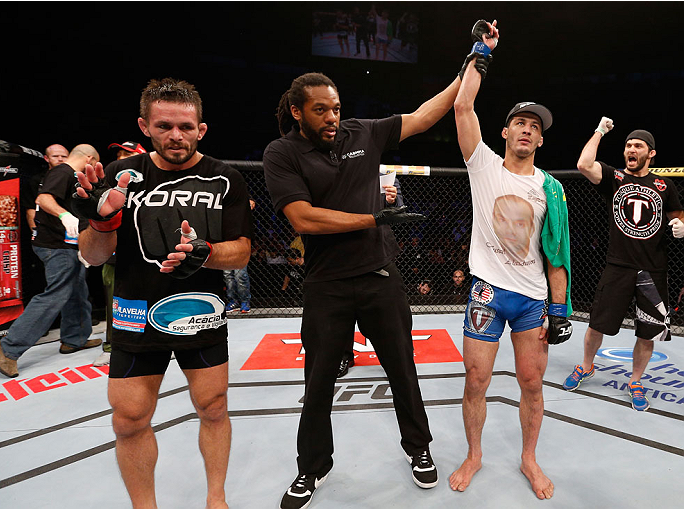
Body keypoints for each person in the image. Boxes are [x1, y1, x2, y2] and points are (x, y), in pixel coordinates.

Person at [264, 50, 480, 505]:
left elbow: (424, 115)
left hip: (379, 276)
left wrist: (472, 63)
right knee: (318, 382)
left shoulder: (362, 131)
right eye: (320, 109)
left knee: (402, 369)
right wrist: (374, 219)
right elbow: (302, 218)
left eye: (336, 108)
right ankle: (312, 468)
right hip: (326, 283)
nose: (331, 117)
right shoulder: (283, 152)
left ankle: (419, 449)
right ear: (297, 112)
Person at [73, 78, 252, 508]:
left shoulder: (225, 179)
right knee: (130, 419)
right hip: (136, 311)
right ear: (145, 126)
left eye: (186, 127)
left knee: (213, 407)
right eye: (165, 125)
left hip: (200, 310)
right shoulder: (119, 176)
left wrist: (204, 253)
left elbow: (242, 252)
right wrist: (101, 224)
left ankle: (216, 498)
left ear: (201, 129)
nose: (177, 135)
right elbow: (93, 257)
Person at [448, 20, 572, 500]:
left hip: (531, 298)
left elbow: (556, 254)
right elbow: (462, 105)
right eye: (520, 121)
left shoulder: (551, 189)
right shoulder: (481, 163)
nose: (527, 128)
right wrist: (481, 52)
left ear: (540, 142)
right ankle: (475, 454)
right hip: (486, 290)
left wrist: (559, 311)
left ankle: (528, 458)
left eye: (535, 126)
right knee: (476, 380)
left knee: (532, 383)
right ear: (505, 132)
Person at [563, 121, 684, 412]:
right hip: (618, 265)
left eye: (637, 146)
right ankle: (586, 365)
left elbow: (678, 213)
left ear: (650, 153)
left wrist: (681, 224)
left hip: (653, 269)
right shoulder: (614, 177)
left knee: (647, 332)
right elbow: (583, 164)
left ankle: (635, 381)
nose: (631, 149)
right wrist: (600, 132)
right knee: (596, 324)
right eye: (628, 145)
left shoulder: (664, 185)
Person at [0, 145, 102, 378]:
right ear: (89, 158)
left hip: (68, 244)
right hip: (56, 246)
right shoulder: (64, 172)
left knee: (78, 290)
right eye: (93, 164)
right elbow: (44, 198)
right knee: (57, 294)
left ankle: (74, 339)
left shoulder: (68, 175)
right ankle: (8, 348)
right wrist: (64, 215)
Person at [337, 176, 403, 377]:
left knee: (389, 310)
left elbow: (397, 210)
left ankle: (392, 357)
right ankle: (343, 356)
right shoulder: (337, 170)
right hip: (342, 249)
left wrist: (391, 201)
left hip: (378, 251)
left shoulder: (384, 173)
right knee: (342, 310)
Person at [94, 140, 148, 367]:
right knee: (113, 300)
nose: (120, 159)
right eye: (119, 155)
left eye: (126, 155)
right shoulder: (105, 182)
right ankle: (111, 346)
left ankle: (160, 340)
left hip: (147, 252)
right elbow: (92, 212)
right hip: (115, 253)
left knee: (152, 296)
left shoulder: (153, 185)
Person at [23, 144, 69, 237]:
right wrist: (34, 232)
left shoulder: (75, 177)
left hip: (72, 233)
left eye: (64, 156)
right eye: (55, 156)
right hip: (47, 236)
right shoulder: (36, 180)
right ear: (46, 158)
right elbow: (31, 208)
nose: (60, 159)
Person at [224, 198, 255, 314]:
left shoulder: (238, 197)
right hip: (225, 241)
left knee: (240, 274)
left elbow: (251, 203)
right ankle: (233, 301)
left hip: (239, 240)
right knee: (228, 275)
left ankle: (245, 301)